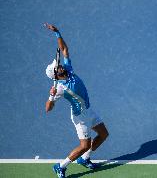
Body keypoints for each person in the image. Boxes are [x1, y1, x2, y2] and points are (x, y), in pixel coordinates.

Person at [44, 23, 109, 178]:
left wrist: (57, 33)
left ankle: (85, 159)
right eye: (57, 67)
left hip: (89, 110)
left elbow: (64, 49)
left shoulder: (69, 69)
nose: (59, 65)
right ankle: (60, 166)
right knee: (84, 145)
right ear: (56, 74)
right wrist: (51, 96)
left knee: (104, 134)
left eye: (58, 64)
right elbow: (48, 108)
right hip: (80, 118)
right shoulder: (59, 88)